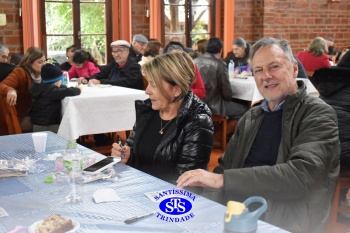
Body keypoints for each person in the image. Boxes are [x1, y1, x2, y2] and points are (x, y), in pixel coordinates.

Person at [177, 38, 340, 233]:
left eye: (275, 66)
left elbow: (300, 176)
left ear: (295, 69)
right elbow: (225, 169)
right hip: (236, 214)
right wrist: (201, 210)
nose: (266, 76)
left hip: (283, 218)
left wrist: (223, 181)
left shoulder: (318, 114)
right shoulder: (252, 117)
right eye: (259, 70)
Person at [111, 52, 214, 184]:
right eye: (148, 83)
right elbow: (134, 152)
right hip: (141, 188)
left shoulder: (197, 121)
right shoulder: (148, 110)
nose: (147, 90)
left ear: (177, 90)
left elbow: (186, 181)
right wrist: (128, 157)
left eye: (154, 85)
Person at [194, 37, 249, 119]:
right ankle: (225, 131)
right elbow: (226, 92)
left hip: (196, 105)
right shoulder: (219, 64)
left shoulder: (194, 61)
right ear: (220, 50)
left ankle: (221, 129)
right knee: (245, 110)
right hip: (215, 106)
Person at [0, 47, 46, 134]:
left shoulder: (44, 72)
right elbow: (2, 85)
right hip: (23, 113)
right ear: (29, 62)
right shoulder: (20, 72)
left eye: (44, 61)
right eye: (40, 62)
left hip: (37, 110)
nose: (43, 64)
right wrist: (10, 90)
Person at [30, 64, 81, 133]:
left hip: (37, 124)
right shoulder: (52, 92)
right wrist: (78, 89)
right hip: (48, 126)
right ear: (55, 81)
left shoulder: (42, 88)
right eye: (61, 80)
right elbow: (67, 92)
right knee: (65, 133)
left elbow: (60, 88)